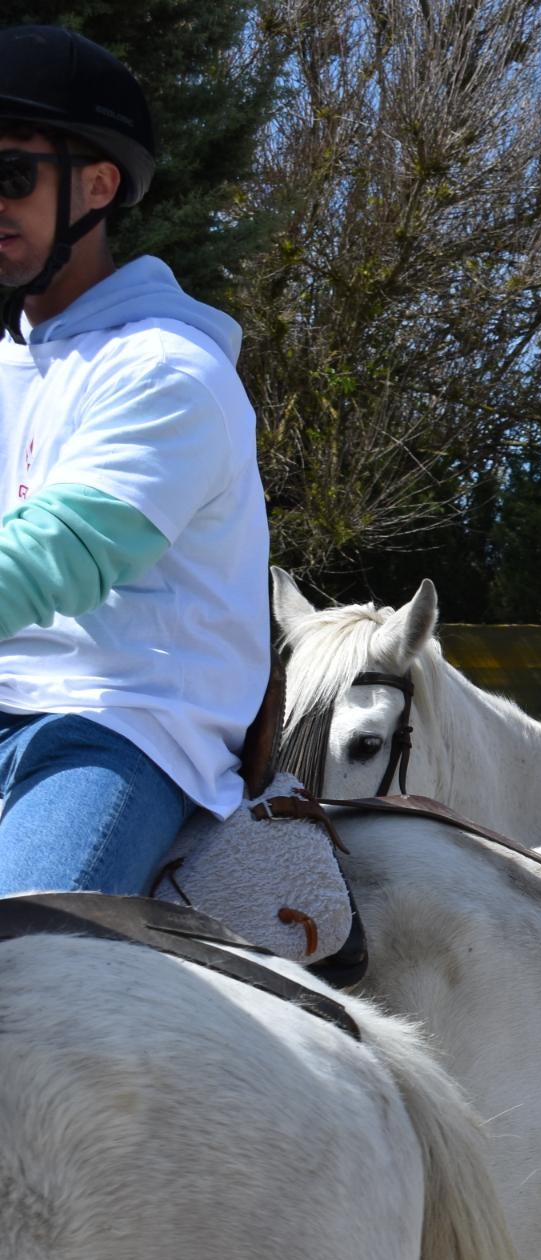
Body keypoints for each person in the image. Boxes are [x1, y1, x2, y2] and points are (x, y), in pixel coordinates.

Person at [0, 28, 268, 896]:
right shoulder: (11, 361)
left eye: (11, 175)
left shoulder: (168, 369)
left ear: (99, 185)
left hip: (120, 725)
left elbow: (59, 556)